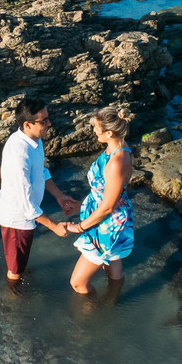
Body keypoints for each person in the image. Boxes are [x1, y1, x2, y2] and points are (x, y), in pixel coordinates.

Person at [0, 98, 80, 283]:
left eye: (48, 118)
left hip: (26, 216)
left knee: (20, 262)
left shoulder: (34, 140)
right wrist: (54, 226)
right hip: (17, 221)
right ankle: (12, 303)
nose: (49, 124)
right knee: (15, 271)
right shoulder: (20, 153)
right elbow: (26, 204)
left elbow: (41, 171)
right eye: (43, 121)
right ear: (27, 124)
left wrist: (59, 196)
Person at [64, 107, 135, 294]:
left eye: (96, 126)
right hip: (107, 211)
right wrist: (81, 204)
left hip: (108, 222)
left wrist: (79, 227)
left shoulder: (117, 160)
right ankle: (113, 302)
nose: (93, 130)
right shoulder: (115, 146)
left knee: (78, 283)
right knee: (113, 261)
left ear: (109, 132)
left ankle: (91, 317)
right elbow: (107, 192)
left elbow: (107, 207)